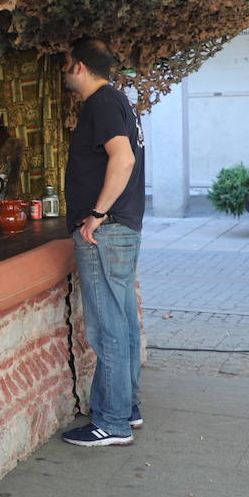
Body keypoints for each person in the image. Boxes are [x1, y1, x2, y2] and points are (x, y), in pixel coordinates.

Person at [60, 37, 147, 448]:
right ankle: (126, 406)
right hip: (120, 228)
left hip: (106, 230)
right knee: (124, 320)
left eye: (64, 64)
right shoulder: (117, 101)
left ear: (78, 66)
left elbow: (123, 158)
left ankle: (111, 423)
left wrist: (95, 215)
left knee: (108, 328)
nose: (63, 71)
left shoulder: (102, 103)